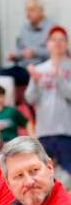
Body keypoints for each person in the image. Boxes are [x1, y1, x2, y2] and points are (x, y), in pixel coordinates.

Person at [25, 25, 71, 171]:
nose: (57, 42)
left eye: (61, 39)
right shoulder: (39, 69)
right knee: (45, 174)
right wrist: (35, 81)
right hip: (44, 131)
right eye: (53, 39)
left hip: (66, 131)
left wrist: (58, 76)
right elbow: (30, 98)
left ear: (67, 42)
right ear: (47, 43)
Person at [0, 0, 53, 89]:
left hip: (41, 67)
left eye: (32, 10)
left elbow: (54, 53)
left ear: (41, 11)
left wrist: (35, 52)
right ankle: (5, 103)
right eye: (27, 10)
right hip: (24, 67)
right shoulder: (24, 28)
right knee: (2, 74)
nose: (28, 14)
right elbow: (21, 50)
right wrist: (15, 56)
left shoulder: (51, 28)